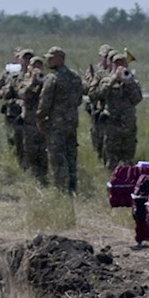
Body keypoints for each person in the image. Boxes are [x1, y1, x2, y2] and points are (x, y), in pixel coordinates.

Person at [32, 48, 86, 194]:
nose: (48, 61)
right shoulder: (75, 77)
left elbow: (45, 103)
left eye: (51, 58)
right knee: (71, 156)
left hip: (56, 125)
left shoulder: (52, 78)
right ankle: (73, 187)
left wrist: (40, 120)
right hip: (71, 123)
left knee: (57, 157)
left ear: (60, 59)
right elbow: (79, 100)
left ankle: (62, 189)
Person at [89, 51, 144, 175]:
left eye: (122, 63)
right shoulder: (104, 79)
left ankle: (128, 181)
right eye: (116, 63)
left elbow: (137, 99)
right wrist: (112, 81)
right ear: (111, 64)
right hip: (111, 124)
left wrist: (129, 84)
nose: (120, 66)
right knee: (111, 158)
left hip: (128, 124)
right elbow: (96, 95)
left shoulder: (132, 80)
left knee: (128, 158)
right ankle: (112, 180)